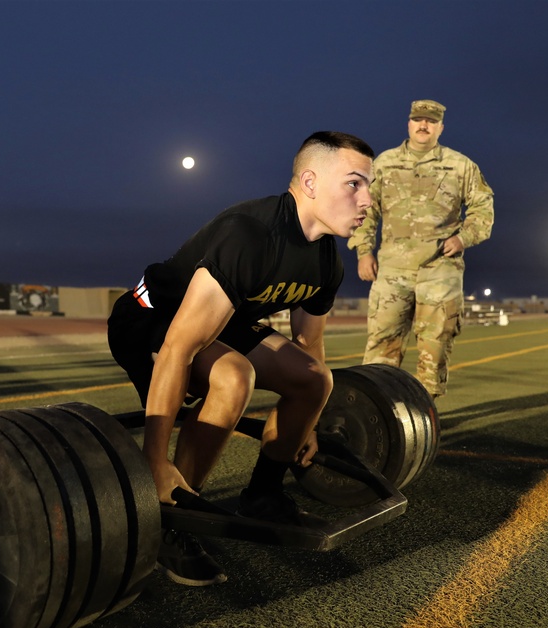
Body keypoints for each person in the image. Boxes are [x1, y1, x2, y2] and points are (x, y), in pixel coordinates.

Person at [108, 131, 375, 586]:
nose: (368, 200)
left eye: (370, 186)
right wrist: (153, 457)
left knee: (314, 379)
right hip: (149, 320)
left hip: (222, 319)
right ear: (309, 182)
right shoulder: (249, 234)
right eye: (355, 183)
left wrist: (306, 425)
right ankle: (171, 514)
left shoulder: (328, 259)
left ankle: (264, 494)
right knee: (234, 376)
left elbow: (309, 345)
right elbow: (178, 346)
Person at [347, 99, 494, 399]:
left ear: (440, 127)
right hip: (391, 271)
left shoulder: (460, 165)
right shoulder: (384, 164)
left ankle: (425, 416)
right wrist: (363, 251)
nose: (423, 125)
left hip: (440, 269)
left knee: (435, 347)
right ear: (409, 123)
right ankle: (376, 411)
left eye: (430, 121)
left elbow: (483, 207)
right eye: (418, 120)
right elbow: (364, 209)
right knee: (381, 346)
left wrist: (463, 237)